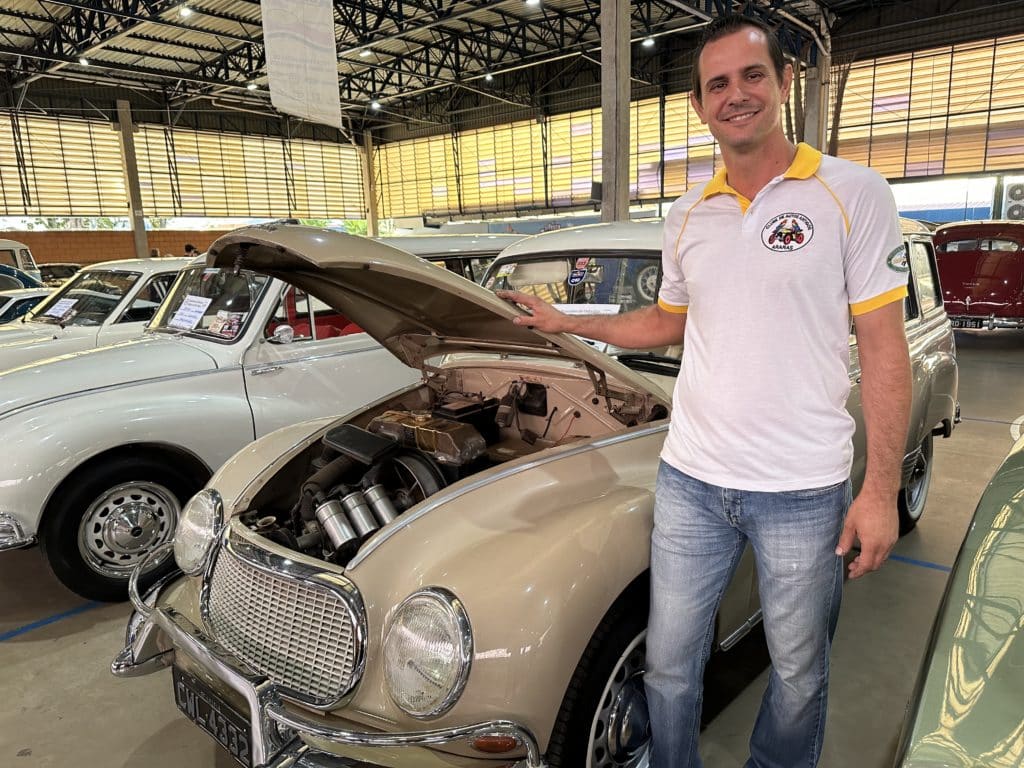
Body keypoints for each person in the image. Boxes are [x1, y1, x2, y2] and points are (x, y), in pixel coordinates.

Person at [498, 13, 911, 768]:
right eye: (717, 84)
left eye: (752, 75)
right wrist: (567, 320)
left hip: (802, 488)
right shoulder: (688, 215)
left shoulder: (852, 193)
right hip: (691, 480)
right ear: (698, 105)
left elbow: (885, 349)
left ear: (785, 81)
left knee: (798, 673)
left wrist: (880, 489)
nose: (735, 95)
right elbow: (665, 321)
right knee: (668, 667)